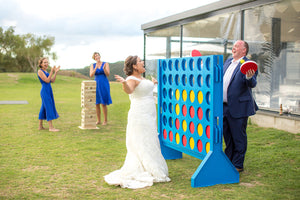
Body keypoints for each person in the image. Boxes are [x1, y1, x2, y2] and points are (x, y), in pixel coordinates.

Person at [104, 55, 170, 189]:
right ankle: (148, 169)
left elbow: (145, 89)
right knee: (142, 141)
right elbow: (129, 89)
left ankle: (150, 167)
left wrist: (154, 83)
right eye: (140, 61)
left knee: (150, 139)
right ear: (134, 66)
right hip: (139, 114)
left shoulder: (142, 78)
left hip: (149, 113)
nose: (142, 62)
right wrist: (123, 83)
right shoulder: (131, 79)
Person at [223, 40, 258, 172]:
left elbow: (252, 83)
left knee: (238, 137)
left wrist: (249, 78)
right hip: (224, 107)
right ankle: (228, 161)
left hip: (239, 107)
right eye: (234, 46)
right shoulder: (227, 61)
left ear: (244, 50)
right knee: (227, 136)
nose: (234, 47)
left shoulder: (248, 64)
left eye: (237, 46)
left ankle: (238, 165)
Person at [37, 57, 60, 132]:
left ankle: (40, 126)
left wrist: (55, 72)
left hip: (49, 90)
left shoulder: (46, 71)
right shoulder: (40, 71)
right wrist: (51, 72)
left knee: (43, 108)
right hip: (44, 91)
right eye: (44, 62)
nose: (46, 64)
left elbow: (52, 80)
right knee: (49, 107)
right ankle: (51, 127)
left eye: (47, 62)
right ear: (41, 64)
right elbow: (47, 80)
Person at [89, 52, 112, 125]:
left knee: (103, 103)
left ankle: (105, 120)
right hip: (96, 84)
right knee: (97, 103)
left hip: (104, 83)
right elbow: (91, 75)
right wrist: (95, 68)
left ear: (100, 56)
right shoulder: (93, 65)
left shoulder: (106, 63)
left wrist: (104, 69)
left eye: (98, 55)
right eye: (95, 56)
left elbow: (108, 74)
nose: (97, 57)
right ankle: (98, 120)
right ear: (94, 58)